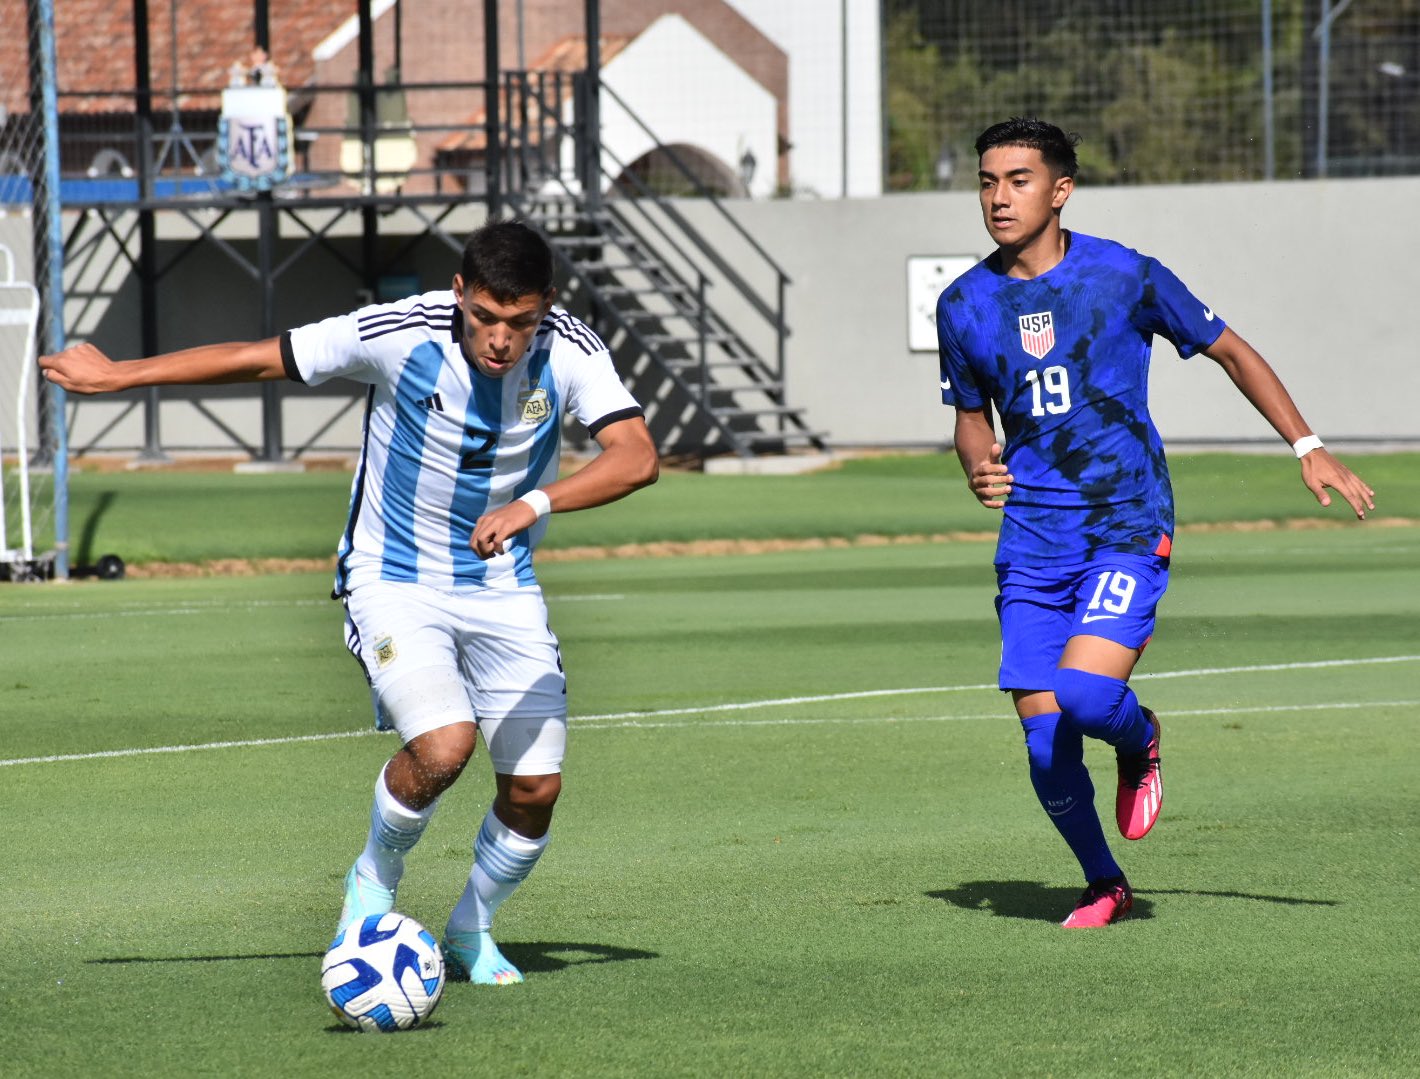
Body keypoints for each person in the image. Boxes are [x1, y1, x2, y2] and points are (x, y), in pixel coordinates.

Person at [40, 219, 659, 980]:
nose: (502, 339)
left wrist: (532, 505)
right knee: (444, 747)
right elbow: (257, 358)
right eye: (487, 318)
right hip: (392, 575)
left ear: (547, 305)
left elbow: (636, 456)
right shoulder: (399, 332)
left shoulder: (571, 348)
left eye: (520, 321)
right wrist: (118, 374)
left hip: (501, 583)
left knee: (535, 788)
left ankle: (469, 928)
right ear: (460, 293)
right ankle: (372, 886)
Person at [935, 118, 1374, 928]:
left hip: (1126, 520)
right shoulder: (963, 304)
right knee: (1044, 744)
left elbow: (1234, 351)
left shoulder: (1126, 276)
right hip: (1032, 539)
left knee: (1090, 698)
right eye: (988, 181)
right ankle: (1105, 883)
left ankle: (1142, 743)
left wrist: (1308, 447)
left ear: (1061, 189)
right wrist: (976, 460)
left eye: (1020, 179)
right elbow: (969, 415)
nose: (999, 197)